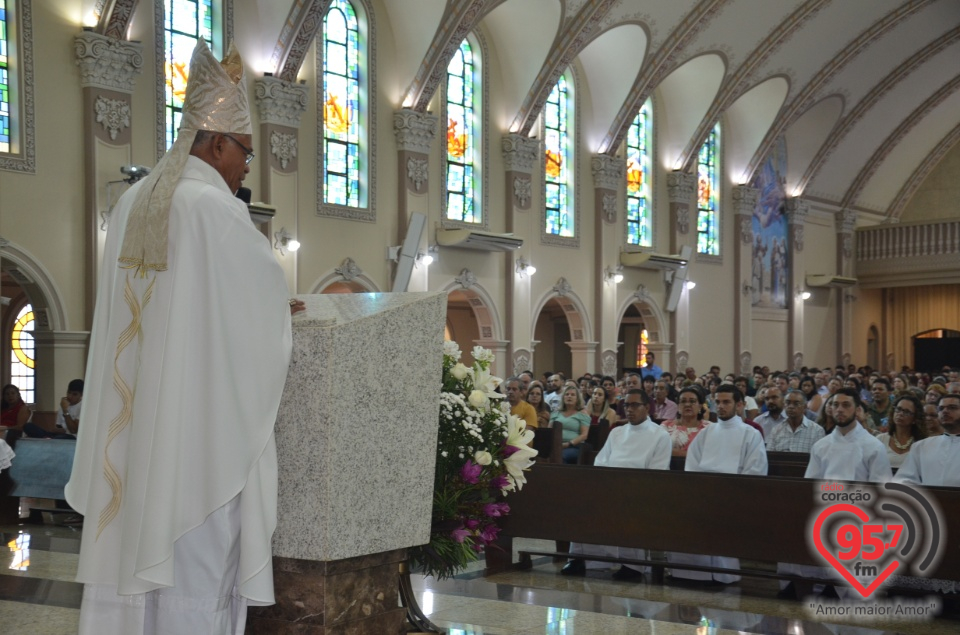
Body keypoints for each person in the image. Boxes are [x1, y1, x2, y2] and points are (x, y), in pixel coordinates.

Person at [65, 41, 302, 635]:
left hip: (134, 430)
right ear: (216, 141)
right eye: (245, 152)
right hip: (197, 442)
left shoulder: (131, 202)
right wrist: (281, 306)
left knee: (132, 567)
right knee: (197, 575)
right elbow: (252, 306)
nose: (247, 167)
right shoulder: (214, 208)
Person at [561, 389, 670, 580]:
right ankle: (580, 558)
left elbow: (658, 473)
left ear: (647, 407)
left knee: (629, 508)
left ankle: (632, 566)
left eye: (635, 405)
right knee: (583, 504)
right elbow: (601, 462)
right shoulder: (617, 432)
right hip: (610, 488)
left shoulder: (660, 435)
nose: (629, 410)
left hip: (641, 491)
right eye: (626, 405)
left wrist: (630, 487)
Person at [669, 385, 767, 583]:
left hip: (735, 498)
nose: (720, 407)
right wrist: (702, 493)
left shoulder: (750, 434)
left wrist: (730, 494)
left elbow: (755, 471)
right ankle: (686, 573)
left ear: (739, 405)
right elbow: (692, 466)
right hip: (703, 495)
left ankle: (724, 576)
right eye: (717, 402)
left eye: (726, 402)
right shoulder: (706, 433)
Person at [894, 394, 960, 487]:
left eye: (952, 408)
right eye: (941, 409)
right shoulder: (922, 446)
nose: (945, 411)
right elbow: (904, 479)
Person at [875, 394, 925, 469]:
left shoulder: (921, 444)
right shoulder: (880, 439)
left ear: (915, 419)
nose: (900, 414)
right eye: (898, 409)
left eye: (906, 412)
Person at [661, 387, 711, 456]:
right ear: (678, 406)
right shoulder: (666, 426)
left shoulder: (709, 428)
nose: (687, 405)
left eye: (692, 401)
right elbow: (660, 450)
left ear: (700, 406)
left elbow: (712, 453)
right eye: (683, 401)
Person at [550, 386, 590, 464]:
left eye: (572, 395)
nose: (569, 396)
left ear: (577, 398)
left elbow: (584, 435)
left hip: (575, 446)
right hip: (555, 445)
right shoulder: (556, 413)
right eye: (567, 394)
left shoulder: (582, 414)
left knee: (560, 456)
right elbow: (549, 431)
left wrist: (568, 444)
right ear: (563, 397)